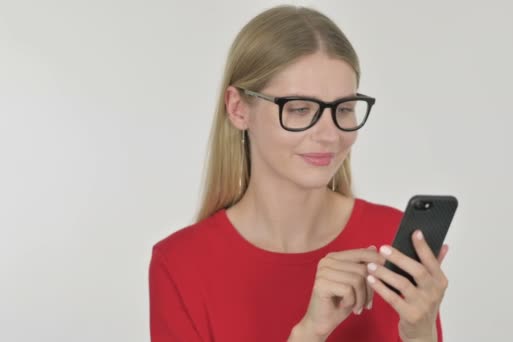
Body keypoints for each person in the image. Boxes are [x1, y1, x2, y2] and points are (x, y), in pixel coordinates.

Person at [149, 5, 449, 342]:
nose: (329, 135)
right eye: (300, 109)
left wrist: (421, 333)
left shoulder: (393, 244)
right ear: (238, 109)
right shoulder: (180, 265)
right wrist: (309, 333)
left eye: (344, 109)